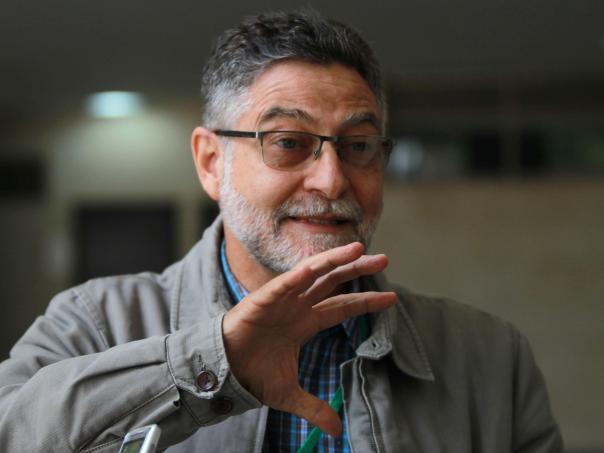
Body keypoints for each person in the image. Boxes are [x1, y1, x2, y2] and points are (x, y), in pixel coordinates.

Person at [0, 9, 562, 453]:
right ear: (211, 163)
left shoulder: (490, 358)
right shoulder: (95, 324)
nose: (332, 178)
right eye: (289, 142)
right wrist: (213, 362)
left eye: (359, 145)